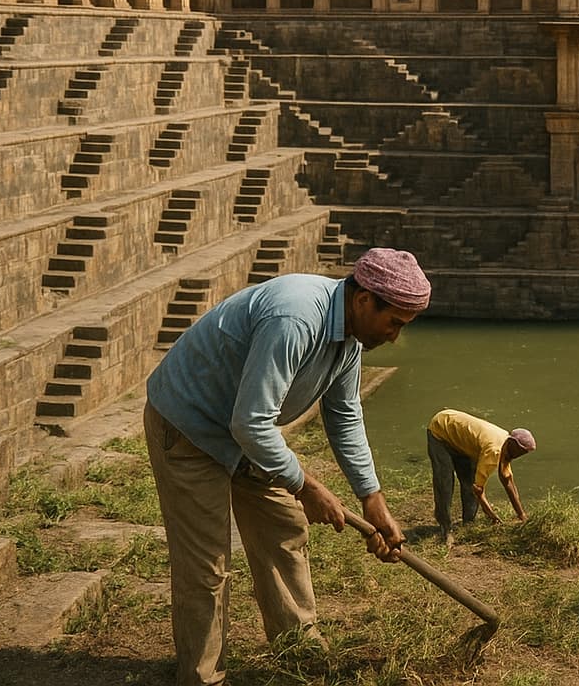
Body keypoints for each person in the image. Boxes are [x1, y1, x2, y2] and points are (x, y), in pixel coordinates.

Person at [143, 247, 431, 686]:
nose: (394, 336)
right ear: (363, 299)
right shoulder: (296, 317)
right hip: (190, 426)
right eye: (393, 322)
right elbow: (251, 421)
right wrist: (306, 485)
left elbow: (345, 415)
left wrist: (373, 502)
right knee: (206, 564)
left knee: (284, 530)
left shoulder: (348, 338)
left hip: (243, 436)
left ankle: (299, 654)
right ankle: (202, 677)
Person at [426, 408, 535, 545]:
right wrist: (492, 516)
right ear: (513, 443)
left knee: (468, 479)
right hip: (441, 430)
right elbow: (478, 490)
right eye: (521, 451)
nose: (520, 456)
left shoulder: (507, 448)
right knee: (445, 483)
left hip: (461, 440)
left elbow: (507, 480)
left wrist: (522, 516)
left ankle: (468, 523)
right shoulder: (494, 450)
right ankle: (446, 529)